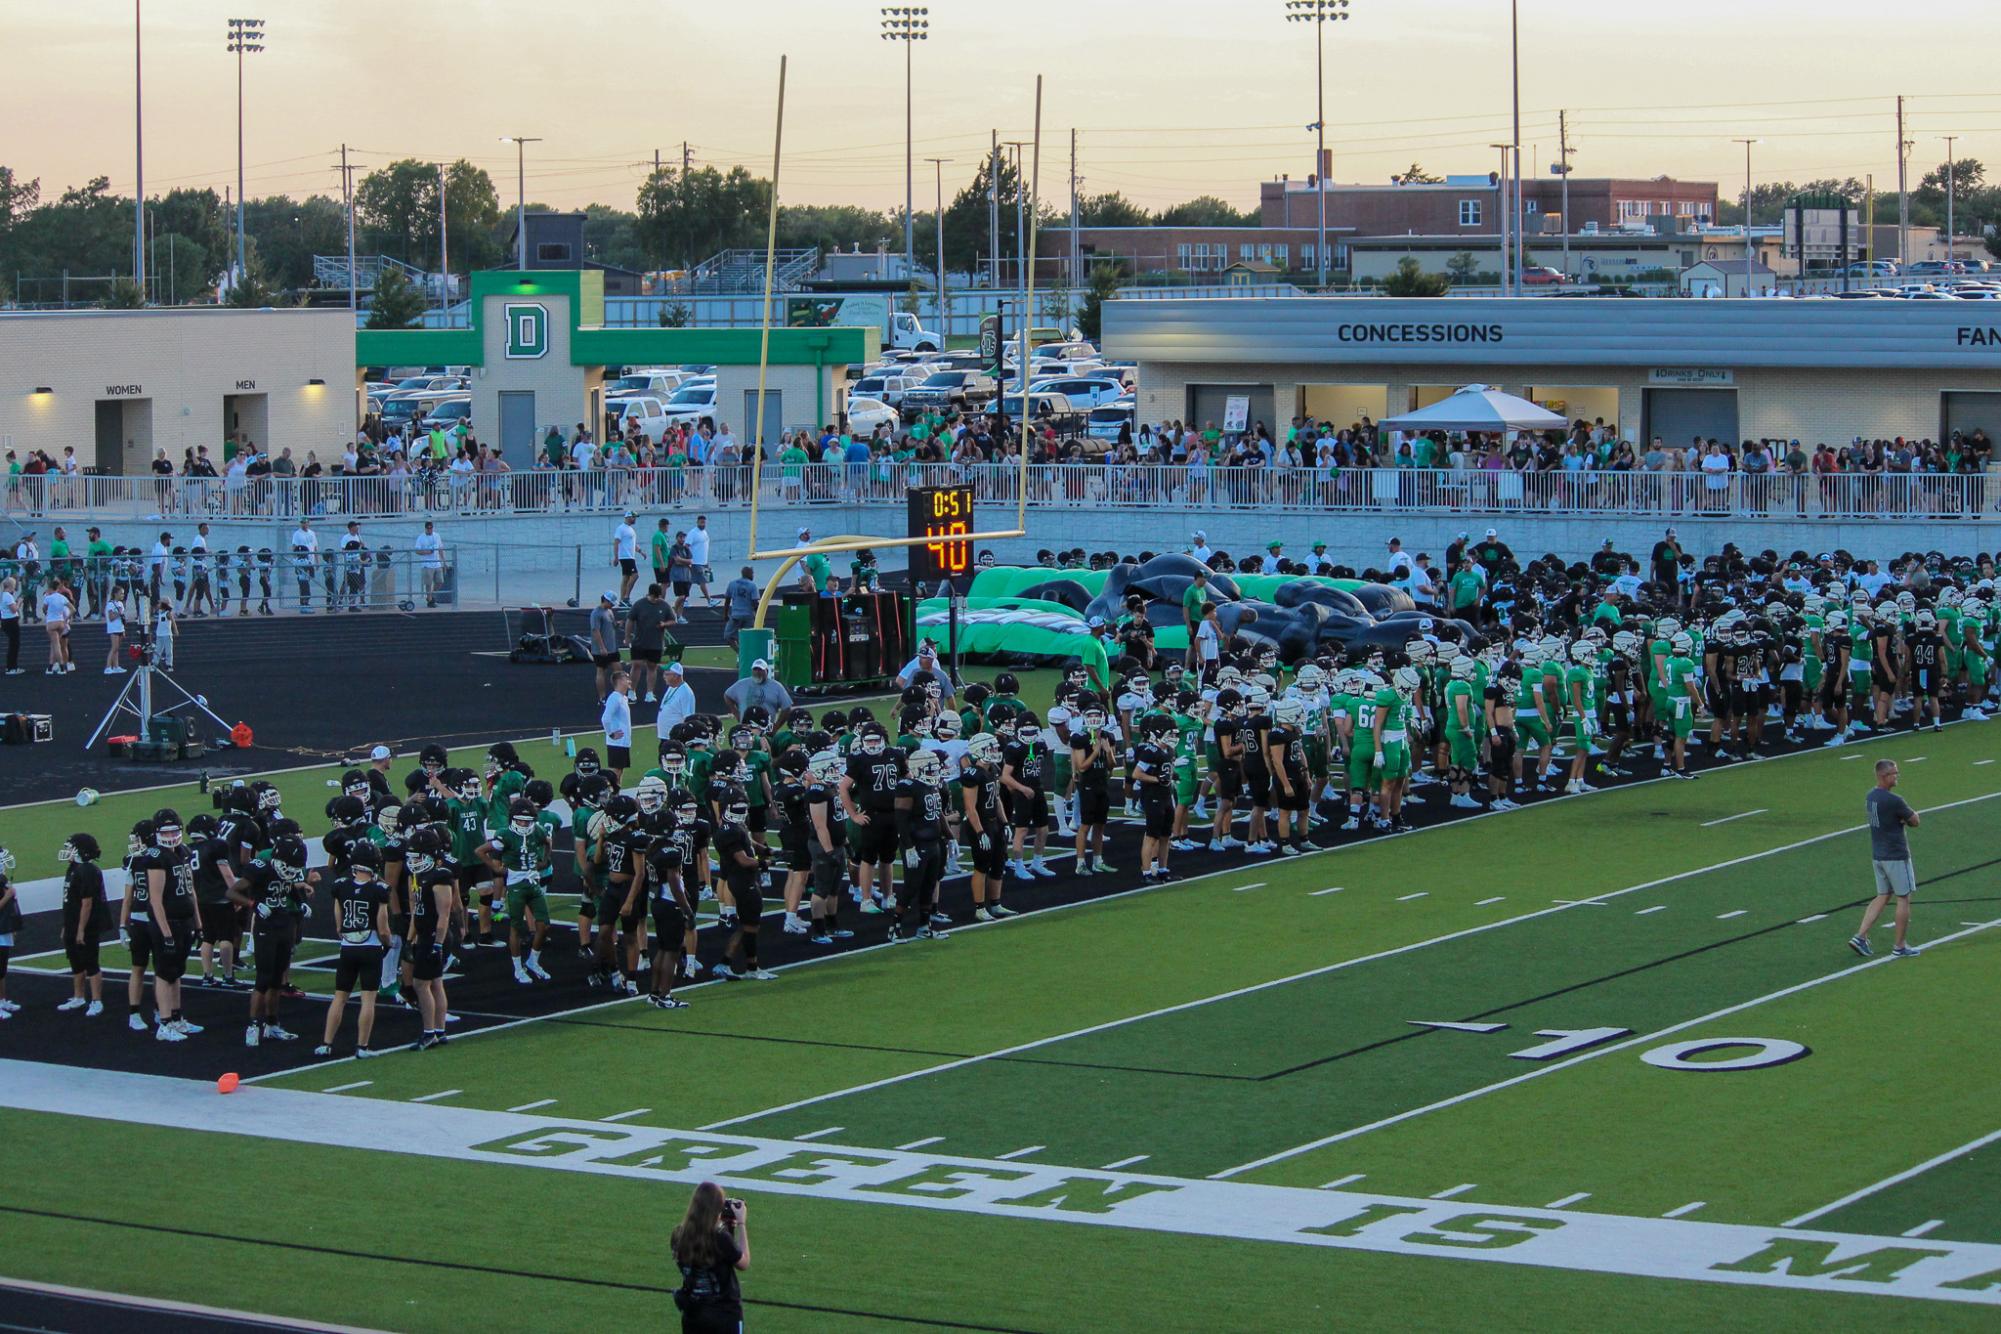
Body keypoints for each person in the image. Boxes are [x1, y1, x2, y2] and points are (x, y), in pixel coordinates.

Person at [316, 843, 390, 1058]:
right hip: (371, 945)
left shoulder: (341, 886)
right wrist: (388, 942)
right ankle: (362, 1047)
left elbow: (338, 921)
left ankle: (326, 1043)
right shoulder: (380, 890)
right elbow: (383, 924)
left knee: (339, 997)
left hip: (348, 947)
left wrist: (342, 931)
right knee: (368, 999)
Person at [1850, 759, 1921, 959]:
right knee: (1904, 897)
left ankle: (1860, 936)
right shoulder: (1894, 800)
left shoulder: (1871, 796)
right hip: (1896, 855)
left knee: (1883, 895)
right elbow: (1914, 821)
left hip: (1878, 854)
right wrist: (1910, 816)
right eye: (1894, 773)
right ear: (1883, 776)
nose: (1897, 776)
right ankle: (1899, 945)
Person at [671, 1182, 749, 1334]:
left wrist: (727, 1228)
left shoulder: (678, 1235)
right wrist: (741, 1223)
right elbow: (743, 1262)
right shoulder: (720, 1238)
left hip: (693, 1313)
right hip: (724, 1315)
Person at [56, 834, 107, 1016]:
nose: (67, 851)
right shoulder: (73, 869)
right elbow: (70, 901)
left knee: (90, 962)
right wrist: (67, 925)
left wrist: (81, 929)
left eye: (71, 848)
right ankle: (78, 996)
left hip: (86, 925)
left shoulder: (87, 871)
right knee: (76, 962)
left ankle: (96, 1000)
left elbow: (87, 902)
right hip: (72, 924)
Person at [724, 659, 793, 719]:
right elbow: (727, 695)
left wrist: (776, 727)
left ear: (767, 671)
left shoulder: (776, 686)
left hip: (767, 728)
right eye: (755, 669)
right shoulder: (741, 684)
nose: (757, 672)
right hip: (746, 727)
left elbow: (787, 707)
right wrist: (736, 713)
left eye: (760, 670)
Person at [602, 668, 635, 779]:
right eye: (627, 678)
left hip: (623, 743)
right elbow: (605, 718)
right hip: (617, 743)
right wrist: (610, 733)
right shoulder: (614, 698)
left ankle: (616, 793)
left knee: (619, 771)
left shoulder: (623, 698)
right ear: (620, 681)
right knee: (615, 772)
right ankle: (612, 793)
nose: (629, 681)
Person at [656, 661, 697, 751]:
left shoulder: (686, 693)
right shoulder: (671, 687)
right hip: (666, 737)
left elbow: (689, 718)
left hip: (676, 740)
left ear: (676, 676)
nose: (664, 676)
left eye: (667, 674)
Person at [590, 590, 623, 702]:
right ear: (605, 600)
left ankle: (619, 694)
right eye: (611, 603)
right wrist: (602, 647)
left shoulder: (609, 611)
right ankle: (602, 697)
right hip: (601, 649)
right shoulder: (596, 613)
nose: (613, 605)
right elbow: (596, 631)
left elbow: (612, 625)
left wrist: (617, 624)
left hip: (612, 647)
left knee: (618, 670)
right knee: (601, 671)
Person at [722, 566, 758, 646]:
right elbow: (755, 602)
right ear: (749, 574)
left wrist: (725, 614)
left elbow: (727, 601)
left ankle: (740, 652)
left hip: (735, 615)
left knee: (728, 636)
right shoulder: (752, 585)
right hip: (748, 616)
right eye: (752, 574)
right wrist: (759, 617)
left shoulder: (732, 584)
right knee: (749, 638)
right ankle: (746, 654)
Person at [612, 511, 640, 606]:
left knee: (626, 578)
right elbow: (616, 542)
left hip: (630, 556)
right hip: (625, 557)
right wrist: (616, 557)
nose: (635, 519)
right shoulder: (621, 528)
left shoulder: (630, 529)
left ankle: (622, 600)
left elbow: (632, 544)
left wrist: (640, 551)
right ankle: (626, 597)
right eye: (633, 517)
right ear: (628, 517)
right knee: (635, 575)